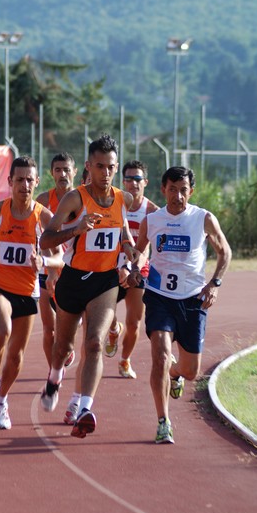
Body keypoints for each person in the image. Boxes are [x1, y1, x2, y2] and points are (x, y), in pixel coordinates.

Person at [39, 133, 136, 438]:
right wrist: (76, 228)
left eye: (110, 167)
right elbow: (46, 241)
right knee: (62, 348)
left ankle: (84, 408)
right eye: (99, 166)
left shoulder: (123, 199)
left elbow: (123, 232)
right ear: (88, 166)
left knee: (94, 342)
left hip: (105, 282)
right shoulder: (75, 199)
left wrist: (130, 251)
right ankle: (54, 379)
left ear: (116, 167)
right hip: (73, 279)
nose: (105, 173)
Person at [127, 166, 232, 444]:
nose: (178, 196)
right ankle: (164, 422)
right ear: (163, 190)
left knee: (190, 370)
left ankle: (176, 373)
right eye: (172, 189)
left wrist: (215, 284)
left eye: (183, 190)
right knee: (160, 355)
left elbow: (225, 251)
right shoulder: (153, 219)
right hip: (160, 297)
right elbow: (141, 251)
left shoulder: (203, 218)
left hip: (193, 299)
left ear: (191, 191)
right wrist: (135, 268)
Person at [0, 155, 62, 430]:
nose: (25, 184)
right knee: (2, 330)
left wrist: (46, 264)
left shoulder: (44, 217)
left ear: (37, 182)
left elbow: (60, 257)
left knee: (17, 356)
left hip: (27, 291)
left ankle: (1, 400)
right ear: (10, 182)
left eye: (30, 179)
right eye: (19, 179)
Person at [104, 160, 159, 379]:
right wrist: (120, 265)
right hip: (111, 267)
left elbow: (147, 249)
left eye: (138, 179)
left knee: (135, 322)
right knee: (102, 313)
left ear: (145, 182)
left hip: (138, 269)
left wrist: (133, 267)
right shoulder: (114, 205)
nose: (133, 184)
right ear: (123, 181)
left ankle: (125, 360)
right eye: (129, 179)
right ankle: (113, 330)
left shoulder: (153, 212)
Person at [35, 152, 78, 370]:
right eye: (58, 170)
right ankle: (54, 371)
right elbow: (39, 235)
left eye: (66, 169)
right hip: (48, 269)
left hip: (74, 271)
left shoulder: (82, 199)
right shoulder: (43, 201)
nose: (62, 174)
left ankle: (66, 347)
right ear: (52, 173)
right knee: (48, 329)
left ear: (75, 172)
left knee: (66, 330)